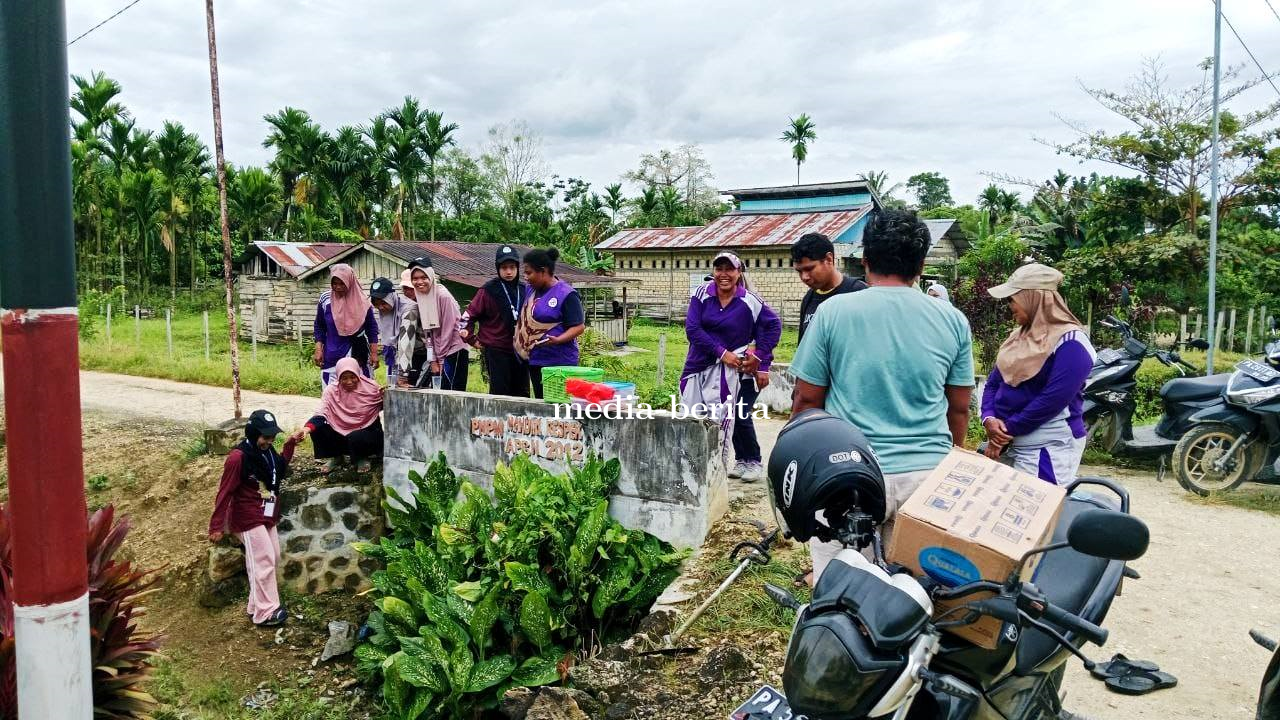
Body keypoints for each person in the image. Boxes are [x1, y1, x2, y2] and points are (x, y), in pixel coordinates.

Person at [790, 209, 974, 583]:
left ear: (866, 260)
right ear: (921, 265)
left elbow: (807, 401)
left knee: (841, 592)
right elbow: (958, 409)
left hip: (849, 474)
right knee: (915, 594)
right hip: (927, 477)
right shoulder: (953, 320)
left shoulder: (832, 312)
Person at [981, 263, 1096, 485]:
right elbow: (994, 382)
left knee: (1035, 504)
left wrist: (1005, 432)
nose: (1010, 305)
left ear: (1032, 298)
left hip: (1047, 449)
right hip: (1011, 443)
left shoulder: (1071, 342)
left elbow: (1052, 400)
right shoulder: (1018, 337)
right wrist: (988, 418)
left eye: (1013, 298)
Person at [681, 251, 782, 481]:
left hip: (738, 370)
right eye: (719, 269)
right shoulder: (702, 294)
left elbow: (772, 326)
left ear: (739, 272)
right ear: (713, 271)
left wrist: (761, 360)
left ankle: (750, 460)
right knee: (701, 416)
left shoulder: (749, 301)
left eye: (730, 269)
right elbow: (693, 330)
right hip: (701, 365)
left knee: (737, 414)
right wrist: (721, 353)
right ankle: (731, 461)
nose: (724, 274)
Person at [208, 409, 298, 627]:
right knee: (263, 559)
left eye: (272, 436)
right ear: (253, 433)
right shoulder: (237, 458)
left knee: (272, 556)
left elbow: (278, 469)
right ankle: (266, 612)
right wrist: (216, 526)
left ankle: (255, 605)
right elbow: (225, 492)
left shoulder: (267, 451)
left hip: (266, 512)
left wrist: (289, 445)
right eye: (265, 436)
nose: (270, 440)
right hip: (246, 515)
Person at [292, 357, 385, 474]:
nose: (349, 382)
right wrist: (305, 430)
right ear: (338, 377)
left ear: (358, 374)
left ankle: (362, 457)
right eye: (344, 378)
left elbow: (387, 408)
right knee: (318, 429)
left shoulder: (372, 388)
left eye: (353, 377)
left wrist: (386, 397)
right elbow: (322, 413)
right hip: (343, 432)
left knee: (356, 436)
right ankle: (336, 457)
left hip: (367, 431)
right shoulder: (331, 391)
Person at [514, 248, 586, 399]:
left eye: (529, 273)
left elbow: (578, 327)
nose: (525, 277)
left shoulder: (566, 294)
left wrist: (558, 340)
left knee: (560, 403)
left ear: (543, 271)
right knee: (542, 403)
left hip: (560, 362)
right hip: (536, 360)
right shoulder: (530, 290)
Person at [461, 245, 530, 397]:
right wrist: (471, 339)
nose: (509, 272)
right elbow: (466, 318)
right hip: (497, 351)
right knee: (499, 394)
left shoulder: (525, 289)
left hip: (521, 351)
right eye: (504, 268)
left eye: (512, 267)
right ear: (498, 268)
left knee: (523, 394)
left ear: (518, 268)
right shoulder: (488, 290)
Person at [407, 257, 470, 391]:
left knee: (451, 392)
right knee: (439, 391)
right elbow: (428, 333)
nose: (419, 282)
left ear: (431, 276)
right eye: (415, 278)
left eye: (424, 277)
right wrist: (432, 360)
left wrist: (441, 360)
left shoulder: (443, 296)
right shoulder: (422, 296)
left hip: (454, 349)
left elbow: (448, 330)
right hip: (440, 352)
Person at [791, 232, 867, 342]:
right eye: (799, 271)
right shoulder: (808, 299)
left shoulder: (859, 293)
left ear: (829, 259)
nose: (804, 277)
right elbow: (803, 346)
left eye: (809, 269)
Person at [314, 264, 379, 386]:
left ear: (350, 281)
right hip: (332, 354)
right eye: (334, 283)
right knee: (332, 393)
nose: (338, 287)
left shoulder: (362, 300)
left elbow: (371, 328)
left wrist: (374, 353)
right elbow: (319, 326)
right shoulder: (325, 299)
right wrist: (318, 350)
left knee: (361, 391)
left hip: (358, 354)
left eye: (342, 283)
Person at [369, 277, 406, 385]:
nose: (380, 307)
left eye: (383, 303)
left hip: (408, 362)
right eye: (376, 304)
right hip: (392, 357)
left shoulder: (405, 309)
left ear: (391, 298)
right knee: (391, 384)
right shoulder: (384, 314)